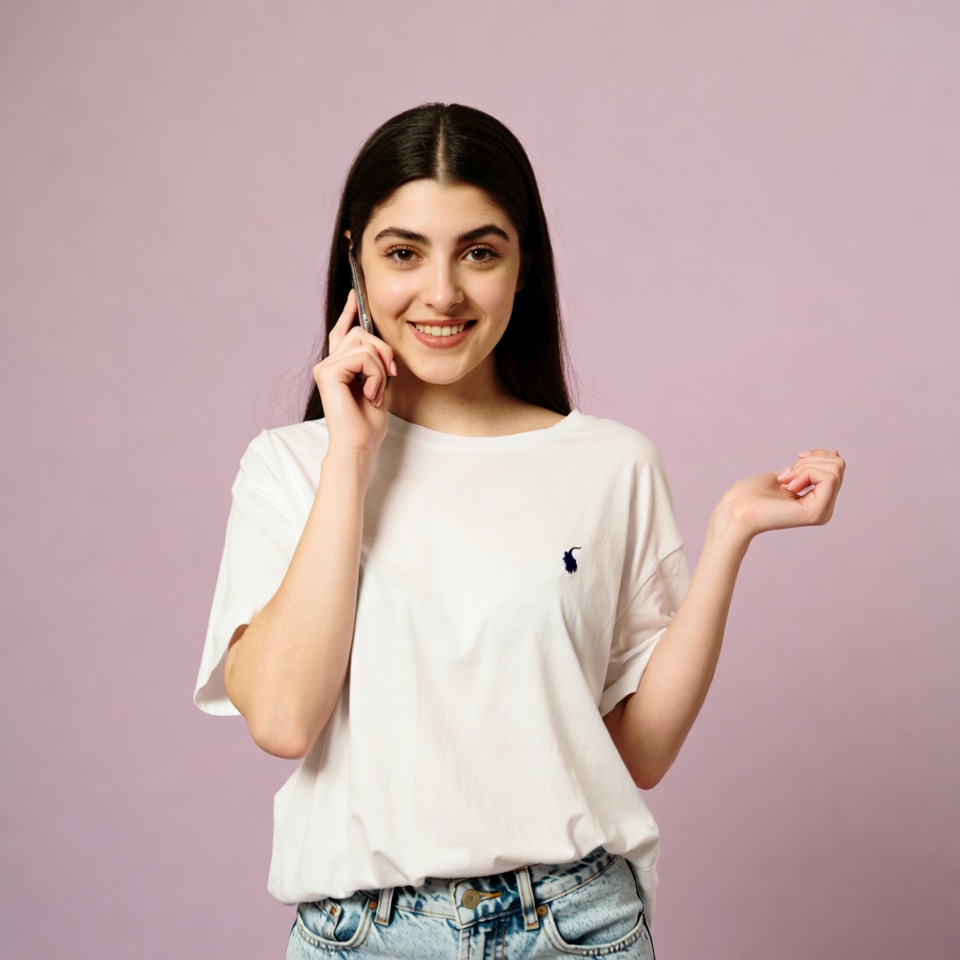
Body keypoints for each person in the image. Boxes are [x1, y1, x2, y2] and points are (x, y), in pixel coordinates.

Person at [195, 103, 844, 959]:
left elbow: (639, 753)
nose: (442, 293)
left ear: (523, 262)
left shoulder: (610, 464)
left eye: (479, 252)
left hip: (573, 929)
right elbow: (283, 720)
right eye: (403, 253)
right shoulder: (288, 468)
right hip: (361, 939)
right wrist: (349, 457)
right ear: (355, 258)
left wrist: (730, 532)